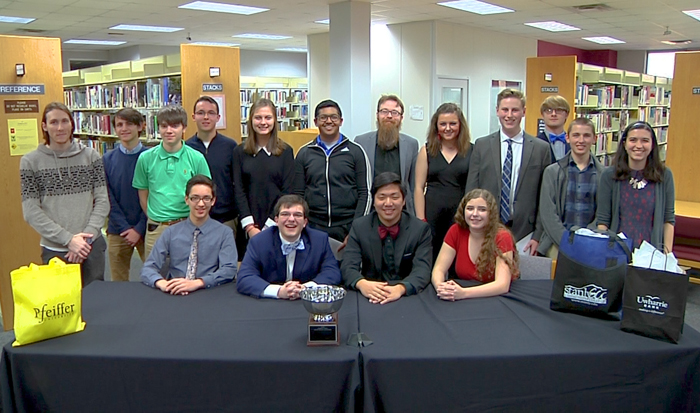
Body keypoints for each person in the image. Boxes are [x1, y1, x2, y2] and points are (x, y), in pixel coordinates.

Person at [19, 102, 109, 286]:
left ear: (71, 124)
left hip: (91, 246)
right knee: (62, 308)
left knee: (96, 305)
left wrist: (85, 240)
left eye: (64, 121)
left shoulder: (91, 157)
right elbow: (31, 211)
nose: (60, 128)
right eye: (53, 122)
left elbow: (102, 200)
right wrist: (69, 240)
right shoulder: (30, 162)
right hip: (55, 249)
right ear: (44, 126)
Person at [465, 89, 551, 255]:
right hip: (486, 229)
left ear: (524, 112)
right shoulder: (481, 146)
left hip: (526, 234)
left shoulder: (541, 149)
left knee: (521, 279)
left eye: (515, 110)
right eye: (505, 110)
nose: (509, 115)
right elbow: (471, 191)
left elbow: (545, 197)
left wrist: (538, 235)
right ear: (497, 111)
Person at [132, 105, 211, 258]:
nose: (169, 131)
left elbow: (206, 195)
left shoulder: (197, 158)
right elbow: (143, 193)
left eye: (175, 126)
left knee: (188, 275)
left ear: (184, 128)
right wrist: (154, 216)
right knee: (154, 276)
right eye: (164, 126)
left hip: (188, 225)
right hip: (156, 229)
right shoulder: (145, 158)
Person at [341, 172, 432, 304]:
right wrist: (362, 284)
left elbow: (423, 270)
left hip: (407, 297)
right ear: (373, 201)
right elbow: (348, 266)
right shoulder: (359, 226)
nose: (388, 203)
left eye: (394, 197)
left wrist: (401, 288)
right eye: (382, 197)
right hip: (370, 295)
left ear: (404, 200)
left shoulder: (420, 229)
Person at [294, 99, 371, 248]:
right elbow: (298, 194)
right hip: (313, 227)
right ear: (316, 121)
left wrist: (357, 230)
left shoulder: (356, 152)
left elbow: (365, 194)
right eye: (323, 117)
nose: (329, 121)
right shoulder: (304, 153)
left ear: (341, 121)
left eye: (334, 117)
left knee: (346, 270)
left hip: (347, 227)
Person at [141, 175, 237, 294]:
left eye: (206, 198)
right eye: (195, 198)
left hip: (208, 292)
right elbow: (148, 268)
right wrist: (163, 284)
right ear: (187, 200)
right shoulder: (171, 232)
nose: (201, 204)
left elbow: (229, 270)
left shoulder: (224, 233)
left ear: (213, 201)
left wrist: (198, 283)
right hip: (174, 292)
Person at [236, 195, 341, 299]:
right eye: (285, 214)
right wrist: (279, 291)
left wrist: (306, 288)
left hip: (304, 303)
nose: (291, 219)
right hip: (269, 305)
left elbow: (332, 272)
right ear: (276, 220)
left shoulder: (319, 240)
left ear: (305, 222)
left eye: (297, 215)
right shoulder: (259, 241)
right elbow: (245, 277)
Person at [596, 121, 675, 252]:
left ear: (652, 145)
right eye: (633, 140)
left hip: (651, 253)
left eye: (645, 140)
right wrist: (601, 252)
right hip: (616, 251)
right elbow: (603, 220)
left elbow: (668, 220)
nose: (639, 146)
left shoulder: (665, 175)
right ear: (624, 144)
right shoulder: (609, 175)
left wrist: (667, 255)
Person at [431, 189, 519, 300]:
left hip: (495, 299)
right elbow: (438, 269)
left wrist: (464, 293)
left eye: (482, 209)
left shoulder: (503, 236)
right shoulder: (456, 231)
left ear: (491, 213)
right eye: (470, 208)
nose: (475, 214)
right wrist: (442, 287)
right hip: (461, 298)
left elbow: (502, 285)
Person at [233, 98, 295, 255]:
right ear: (251, 120)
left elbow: (286, 191)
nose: (263, 122)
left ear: (275, 120)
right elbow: (238, 190)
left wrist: (269, 225)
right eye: (258, 117)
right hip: (247, 225)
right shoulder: (240, 152)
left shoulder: (286, 152)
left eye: (268, 117)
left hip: (277, 223)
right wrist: (249, 227)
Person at [537, 117, 604, 258]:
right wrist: (566, 242)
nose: (581, 140)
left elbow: (603, 215)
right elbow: (548, 214)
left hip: (591, 244)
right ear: (567, 138)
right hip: (557, 243)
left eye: (586, 136)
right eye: (576, 135)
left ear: (595, 139)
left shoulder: (604, 175)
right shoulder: (552, 172)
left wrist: (585, 240)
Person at [414, 102, 472, 261]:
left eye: (453, 123)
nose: (448, 128)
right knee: (430, 260)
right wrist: (421, 219)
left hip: (460, 216)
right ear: (436, 126)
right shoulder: (426, 151)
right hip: (432, 216)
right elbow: (418, 187)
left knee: (458, 261)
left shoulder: (471, 151)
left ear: (460, 125)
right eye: (443, 124)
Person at [103, 108, 148, 281]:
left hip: (146, 228)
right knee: (118, 281)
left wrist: (138, 228)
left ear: (140, 127)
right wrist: (124, 228)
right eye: (119, 125)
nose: (124, 128)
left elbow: (155, 197)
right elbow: (107, 197)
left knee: (156, 277)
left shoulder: (151, 157)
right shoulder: (107, 160)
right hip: (117, 230)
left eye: (129, 124)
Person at [355, 94, 419, 215]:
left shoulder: (411, 144)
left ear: (401, 117)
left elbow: (413, 185)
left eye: (395, 112)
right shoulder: (361, 142)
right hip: (370, 211)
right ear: (377, 115)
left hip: (401, 212)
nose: (389, 116)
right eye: (384, 111)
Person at [186, 96, 238, 231]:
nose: (206, 117)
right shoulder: (186, 148)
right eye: (201, 113)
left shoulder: (230, 146)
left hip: (226, 218)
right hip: (195, 218)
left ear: (218, 117)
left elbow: (237, 182)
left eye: (211, 113)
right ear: (193, 116)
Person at [536, 95, 571, 162]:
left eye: (559, 110)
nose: (554, 114)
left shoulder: (575, 143)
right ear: (542, 115)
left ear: (566, 114)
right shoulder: (534, 145)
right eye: (549, 110)